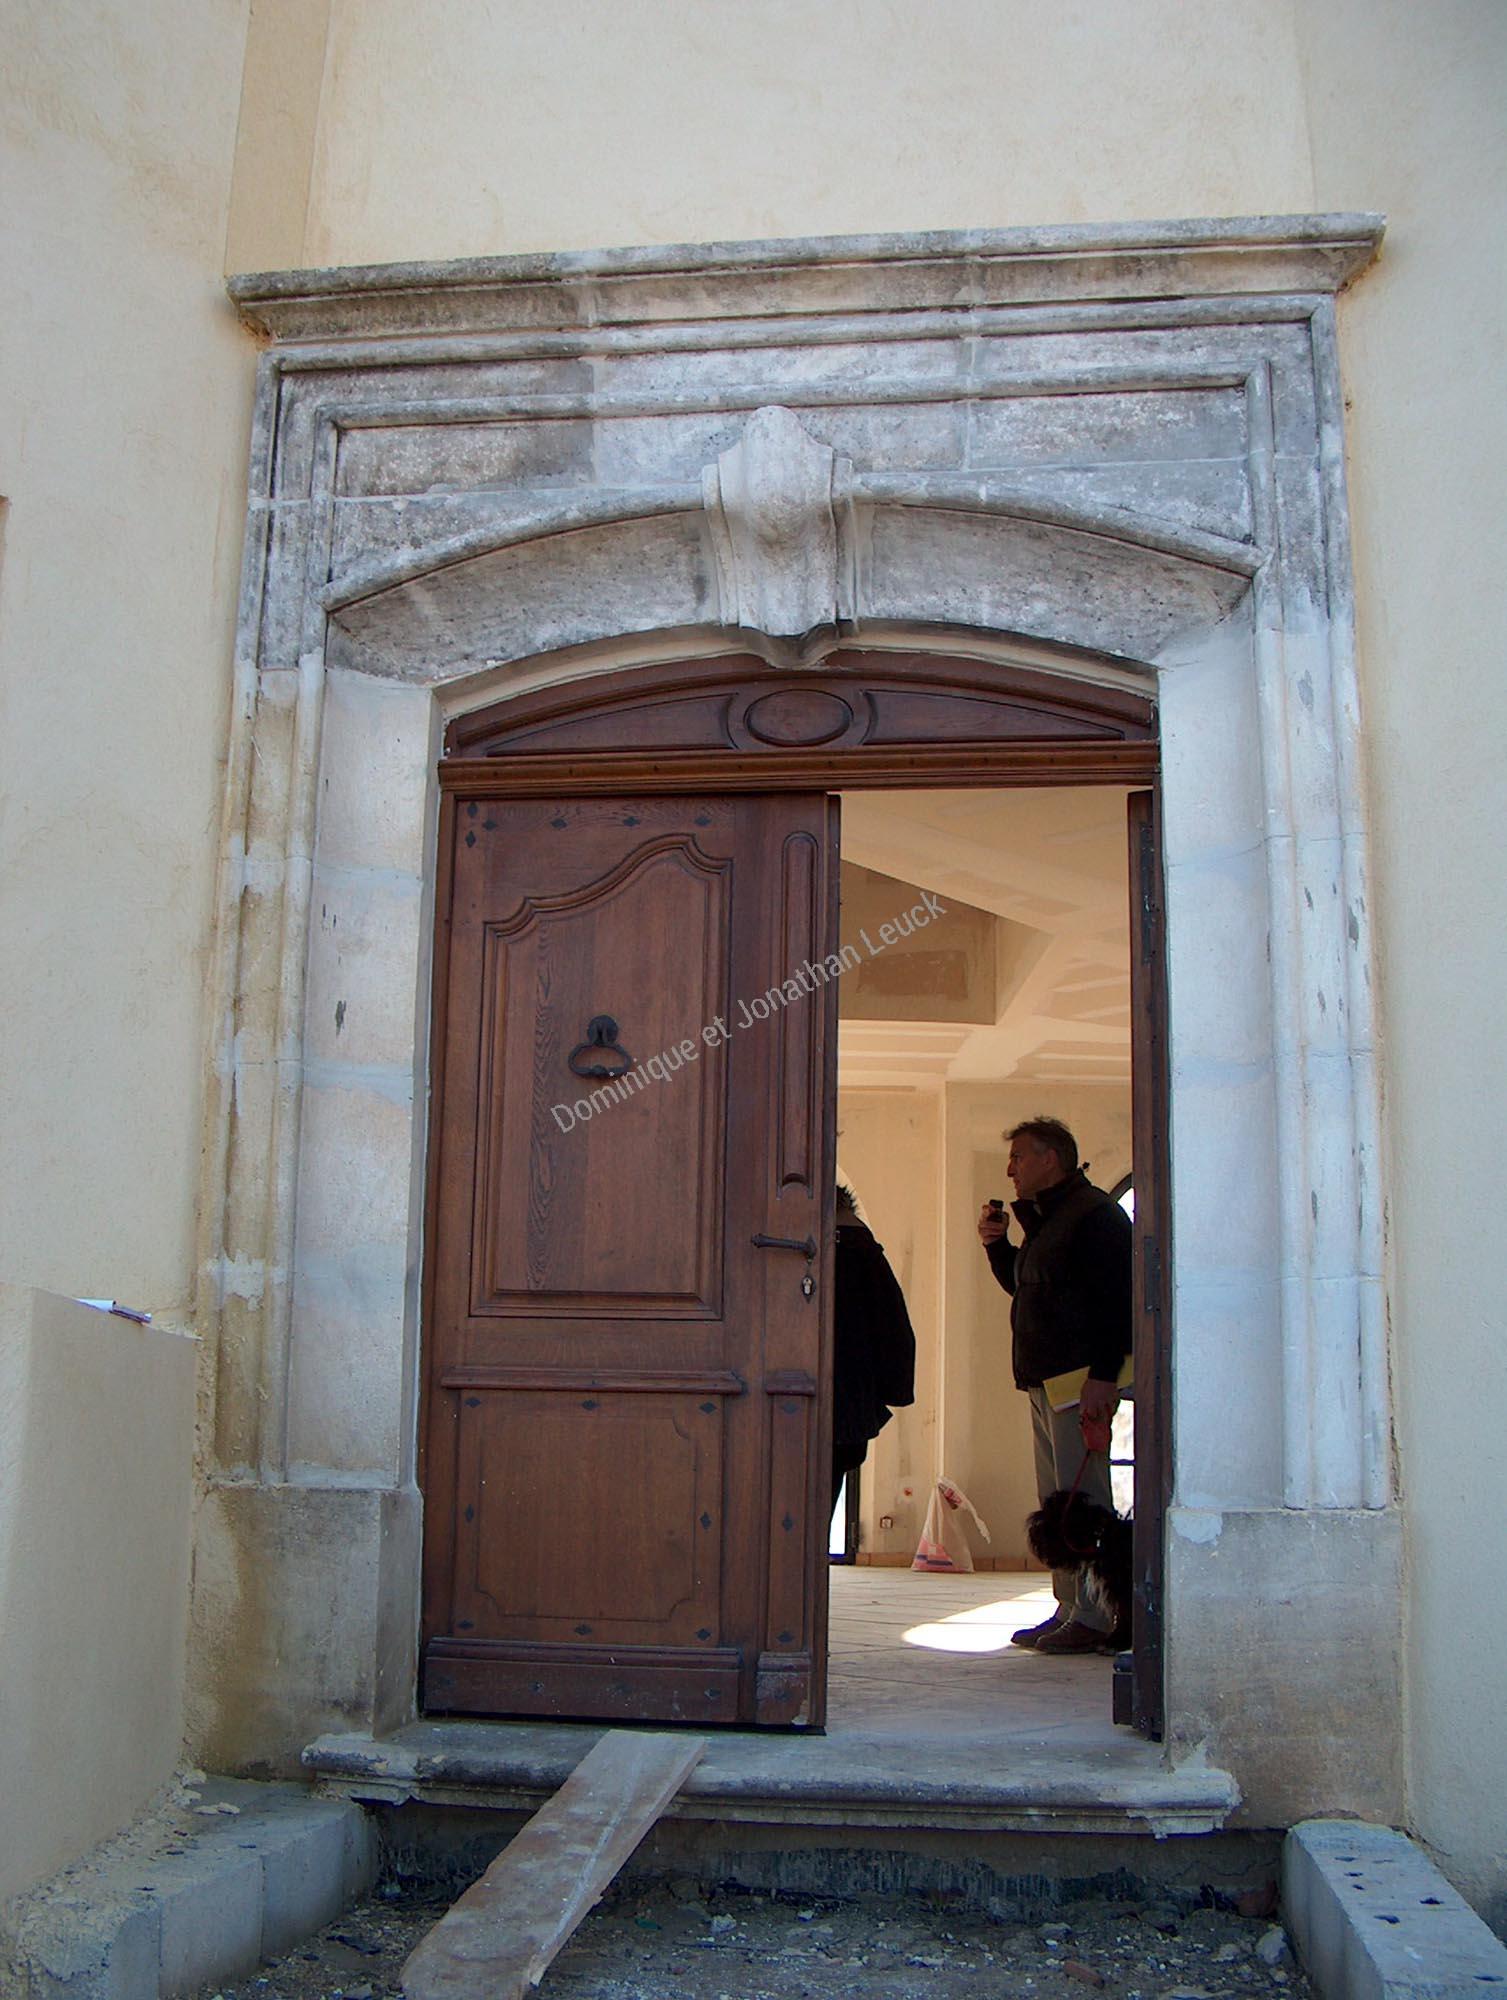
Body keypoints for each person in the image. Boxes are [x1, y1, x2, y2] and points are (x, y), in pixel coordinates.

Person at [977, 1117, 1132, 1654]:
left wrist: (1103, 1376)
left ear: (1050, 1159)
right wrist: (998, 1246)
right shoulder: (1052, 1219)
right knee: (1057, 1504)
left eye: (1019, 1157)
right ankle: (1069, 1606)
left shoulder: (1095, 1216)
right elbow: (1028, 1287)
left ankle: (1097, 1614)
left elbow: (1118, 1300)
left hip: (1079, 1380)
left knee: (1081, 1502)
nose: (1010, 1169)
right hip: (1047, 1380)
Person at [831, 1175, 916, 1516]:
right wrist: (887, 1393)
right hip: (851, 1404)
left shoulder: (812, 1251)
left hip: (805, 1404)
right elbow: (894, 1330)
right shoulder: (865, 1252)